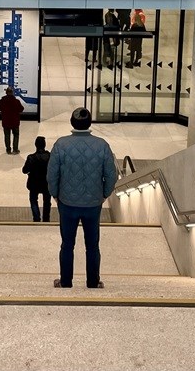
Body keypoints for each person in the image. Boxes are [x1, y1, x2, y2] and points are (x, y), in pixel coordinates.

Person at [47, 107, 118, 289]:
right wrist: (104, 194)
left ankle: (65, 282)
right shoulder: (102, 145)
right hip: (93, 204)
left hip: (67, 203)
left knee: (67, 244)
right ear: (89, 123)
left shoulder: (61, 145)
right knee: (92, 245)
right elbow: (112, 175)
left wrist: (55, 194)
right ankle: (93, 282)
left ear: (72, 123)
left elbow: (52, 175)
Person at [22, 136, 52, 222]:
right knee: (47, 202)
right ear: (44, 145)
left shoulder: (31, 157)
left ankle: (36, 218)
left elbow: (24, 170)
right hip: (47, 183)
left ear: (35, 145)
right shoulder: (50, 156)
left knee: (33, 200)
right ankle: (46, 219)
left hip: (33, 183)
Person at [0, 86, 24, 155]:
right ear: (13, 93)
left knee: (7, 135)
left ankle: (8, 150)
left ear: (6, 92)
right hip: (15, 122)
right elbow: (21, 109)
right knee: (16, 135)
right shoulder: (16, 101)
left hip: (6, 121)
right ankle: (15, 149)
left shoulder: (3, 100)